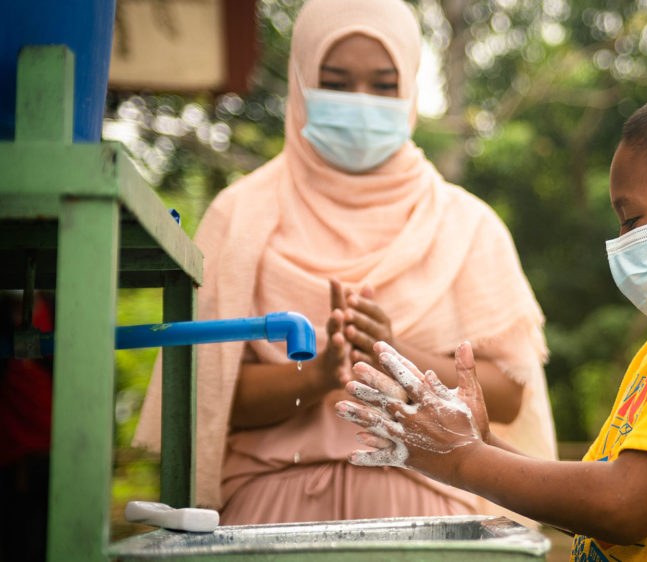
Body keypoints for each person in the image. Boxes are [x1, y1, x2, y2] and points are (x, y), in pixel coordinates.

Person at [336, 78, 647, 561]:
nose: (622, 240)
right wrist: (482, 442)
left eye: (631, 220)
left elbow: (623, 505)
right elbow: (588, 498)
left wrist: (463, 461)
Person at [132, 0, 556, 526]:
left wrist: (397, 355)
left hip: (433, 522)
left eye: (382, 85)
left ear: (409, 89)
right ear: (301, 80)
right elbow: (202, 393)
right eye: (335, 82)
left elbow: (508, 396)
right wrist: (313, 378)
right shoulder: (238, 217)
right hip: (269, 520)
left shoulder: (466, 224)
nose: (361, 102)